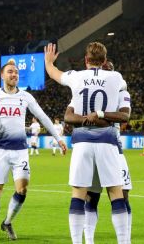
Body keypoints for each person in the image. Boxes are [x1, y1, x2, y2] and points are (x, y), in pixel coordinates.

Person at [0, 59, 67, 241]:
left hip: (20, 150)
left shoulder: (26, 96)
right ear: (2, 75)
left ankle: (7, 222)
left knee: (22, 190)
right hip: (0, 150)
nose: (14, 74)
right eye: (10, 72)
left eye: (16, 72)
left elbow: (43, 117)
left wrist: (59, 138)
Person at [44, 42, 129, 244]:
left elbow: (54, 73)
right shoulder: (116, 77)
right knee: (116, 193)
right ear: (105, 61)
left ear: (86, 60)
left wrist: (48, 62)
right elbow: (123, 106)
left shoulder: (76, 76)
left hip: (82, 141)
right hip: (107, 140)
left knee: (79, 194)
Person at [64, 60, 133, 244]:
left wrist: (101, 115)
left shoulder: (122, 92)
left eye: (109, 69)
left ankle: (126, 240)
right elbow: (69, 115)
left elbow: (125, 116)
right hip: (97, 143)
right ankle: (90, 240)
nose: (106, 72)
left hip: (114, 149)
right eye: (104, 69)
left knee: (122, 195)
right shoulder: (89, 86)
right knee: (91, 197)